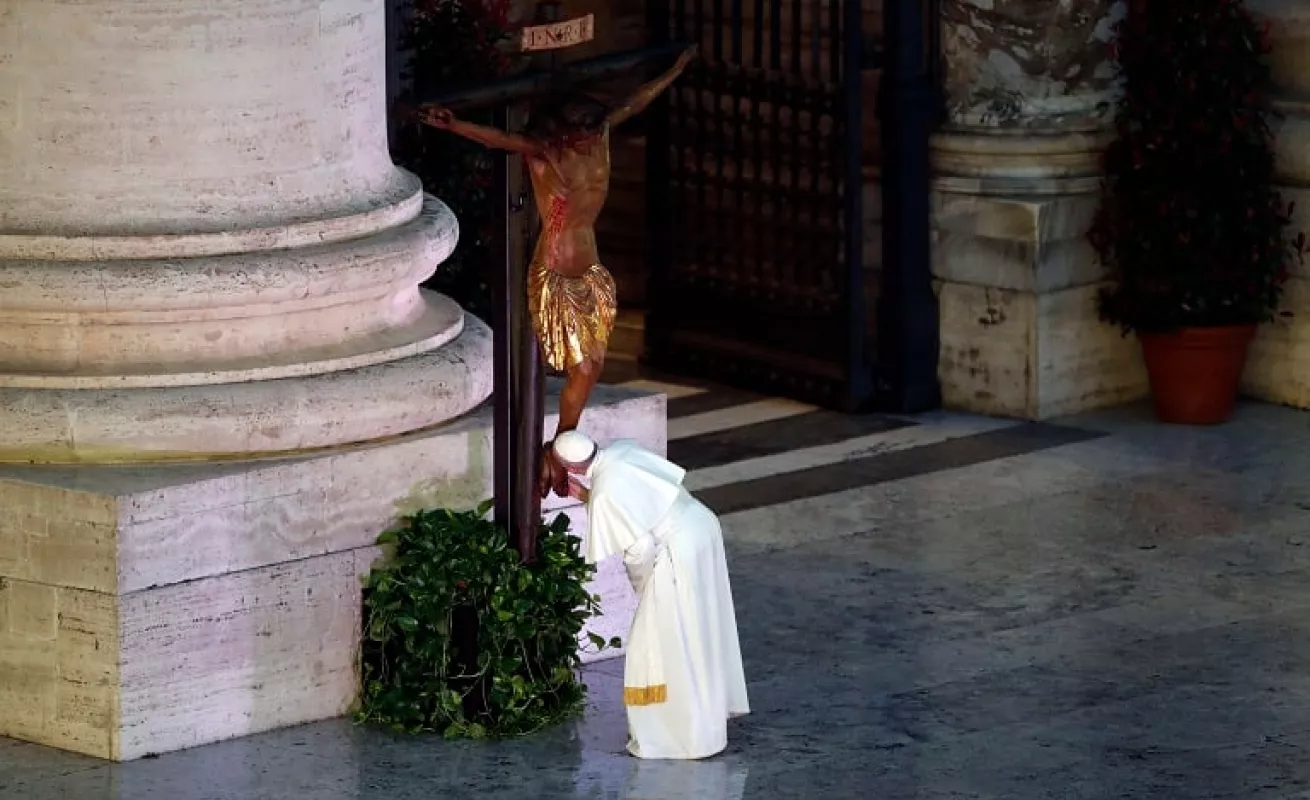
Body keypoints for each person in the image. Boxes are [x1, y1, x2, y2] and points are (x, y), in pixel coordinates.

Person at [409, 46, 697, 501]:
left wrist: (673, 71)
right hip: (558, 274)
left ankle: (562, 445)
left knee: (593, 367)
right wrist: (453, 124)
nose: (588, 139)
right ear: (563, 133)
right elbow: (496, 140)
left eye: (591, 130)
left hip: (591, 273)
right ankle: (560, 446)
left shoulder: (599, 133)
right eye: (580, 133)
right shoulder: (544, 154)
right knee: (579, 366)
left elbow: (634, 101)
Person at [553, 430, 749, 760]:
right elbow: (640, 498)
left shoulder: (604, 495)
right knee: (701, 630)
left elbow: (639, 548)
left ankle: (682, 738)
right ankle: (709, 720)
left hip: (676, 556)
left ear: (569, 468)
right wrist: (590, 497)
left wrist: (646, 587)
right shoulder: (623, 449)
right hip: (701, 527)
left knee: (665, 645)